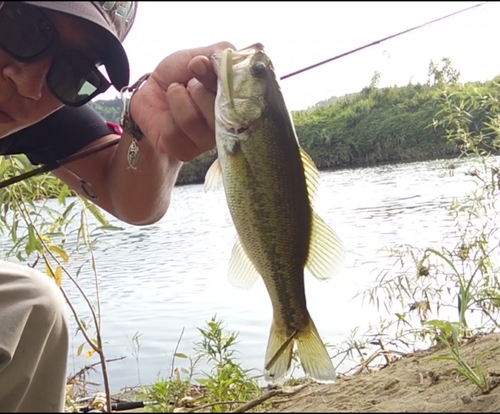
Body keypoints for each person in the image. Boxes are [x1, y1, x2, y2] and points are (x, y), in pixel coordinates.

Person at [0, 1, 233, 412]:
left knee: (32, 307)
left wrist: (150, 122)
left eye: (73, 75)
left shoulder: (35, 105)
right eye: (25, 30)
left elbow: (131, 200)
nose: (30, 85)